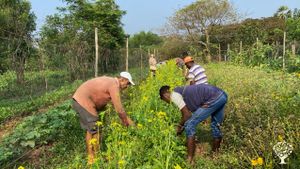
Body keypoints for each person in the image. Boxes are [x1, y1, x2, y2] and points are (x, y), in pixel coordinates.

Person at [72, 72, 135, 164]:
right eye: (128, 83)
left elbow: (113, 105)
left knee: (92, 129)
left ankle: (93, 157)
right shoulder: (114, 85)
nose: (127, 86)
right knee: (96, 129)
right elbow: (119, 109)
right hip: (84, 101)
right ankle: (96, 157)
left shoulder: (111, 81)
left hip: (79, 100)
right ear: (122, 80)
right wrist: (127, 123)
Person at [159, 84, 227, 163]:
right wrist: (181, 126)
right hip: (222, 95)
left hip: (214, 97)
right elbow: (187, 113)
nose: (167, 102)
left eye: (164, 100)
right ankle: (215, 155)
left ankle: (189, 159)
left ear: (165, 95)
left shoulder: (174, 95)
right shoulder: (180, 91)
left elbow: (187, 115)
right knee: (215, 125)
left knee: (189, 125)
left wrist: (179, 126)